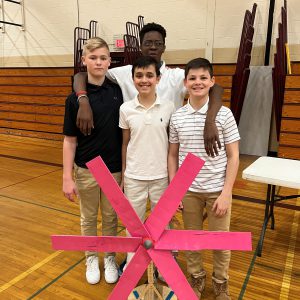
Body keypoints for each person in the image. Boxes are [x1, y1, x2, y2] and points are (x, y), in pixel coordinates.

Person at [74, 22, 223, 157]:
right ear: (140, 46)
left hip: (167, 149)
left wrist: (210, 122)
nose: (153, 47)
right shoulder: (125, 72)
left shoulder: (176, 75)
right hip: (136, 151)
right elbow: (81, 75)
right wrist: (83, 100)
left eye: (158, 43)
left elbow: (215, 87)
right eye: (148, 43)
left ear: (164, 47)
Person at [168, 58, 240, 300]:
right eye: (192, 78)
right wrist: (174, 190)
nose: (197, 82)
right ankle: (196, 278)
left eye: (203, 78)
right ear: (185, 83)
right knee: (191, 240)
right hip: (188, 191)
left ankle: (221, 283)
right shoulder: (177, 117)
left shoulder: (225, 115)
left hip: (216, 190)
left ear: (212, 81)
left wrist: (226, 192)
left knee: (221, 242)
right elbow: (172, 154)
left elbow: (233, 156)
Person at [62, 37, 123, 285]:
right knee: (88, 217)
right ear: (83, 60)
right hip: (86, 168)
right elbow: (69, 141)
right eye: (93, 57)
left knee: (110, 218)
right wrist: (67, 177)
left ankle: (109, 256)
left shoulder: (117, 91)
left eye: (103, 58)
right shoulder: (73, 99)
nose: (98, 62)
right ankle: (91, 257)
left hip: (114, 169)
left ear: (110, 61)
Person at [119, 55, 175, 268]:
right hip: (134, 177)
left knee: (163, 226)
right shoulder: (126, 109)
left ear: (158, 78)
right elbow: (125, 144)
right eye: (139, 75)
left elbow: (172, 146)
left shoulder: (169, 107)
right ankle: (132, 265)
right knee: (133, 228)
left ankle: (163, 267)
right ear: (133, 79)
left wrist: (171, 178)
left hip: (161, 178)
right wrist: (124, 176)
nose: (144, 80)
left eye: (149, 75)